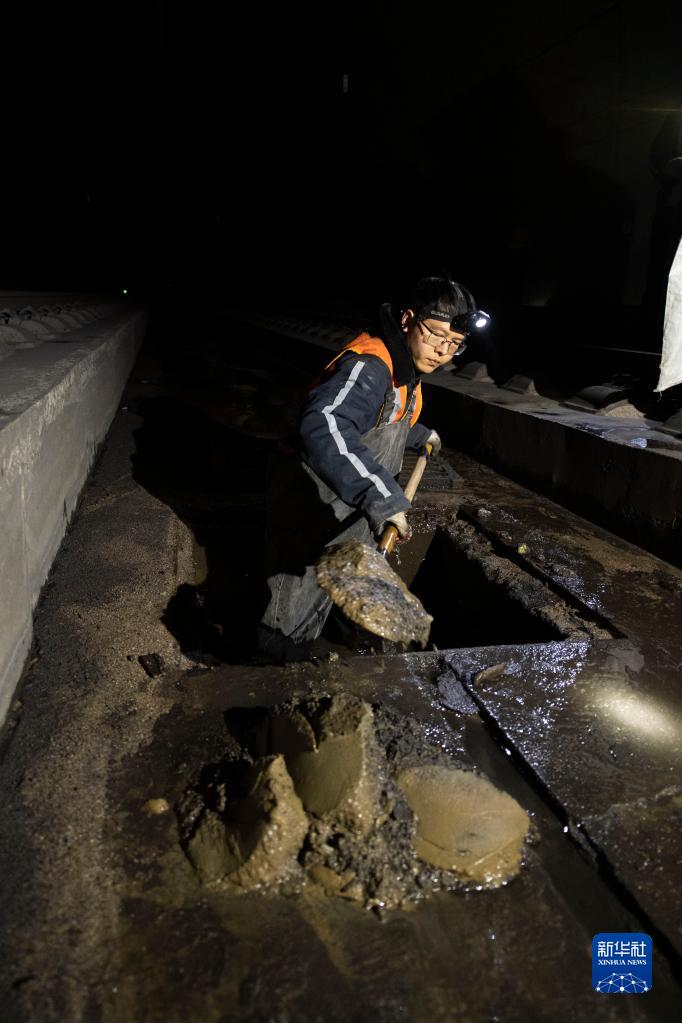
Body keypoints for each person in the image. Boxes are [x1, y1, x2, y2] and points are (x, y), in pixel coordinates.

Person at [256, 275, 480, 661]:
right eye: (436, 335)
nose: (443, 351)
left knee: (339, 585)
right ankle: (275, 669)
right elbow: (324, 423)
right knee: (291, 610)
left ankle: (334, 639)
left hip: (351, 509)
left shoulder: (405, 365)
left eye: (454, 344)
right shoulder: (370, 366)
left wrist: (420, 434)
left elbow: (385, 416)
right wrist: (381, 496)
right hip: (312, 506)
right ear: (408, 320)